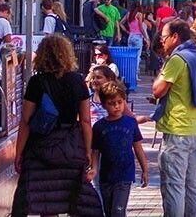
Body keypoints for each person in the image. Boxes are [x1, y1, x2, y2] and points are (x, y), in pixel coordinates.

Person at [13, 34, 100, 216]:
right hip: (70, 147)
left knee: (46, 200)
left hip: (40, 147)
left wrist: (19, 153)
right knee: (68, 198)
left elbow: (26, 121)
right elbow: (85, 120)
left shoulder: (37, 82)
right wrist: (87, 150)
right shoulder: (77, 81)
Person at [152, 19, 196, 217]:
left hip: (177, 129)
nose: (162, 42)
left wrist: (164, 65)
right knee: (193, 185)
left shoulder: (178, 59)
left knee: (173, 186)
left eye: (164, 38)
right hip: (195, 128)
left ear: (175, 37)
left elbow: (157, 90)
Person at [91, 81, 148, 217]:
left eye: (120, 102)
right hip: (106, 176)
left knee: (118, 210)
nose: (117, 106)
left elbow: (138, 147)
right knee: (108, 210)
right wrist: (93, 169)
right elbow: (96, 151)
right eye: (112, 103)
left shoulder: (130, 123)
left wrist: (145, 169)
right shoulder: (99, 126)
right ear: (104, 104)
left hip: (125, 174)